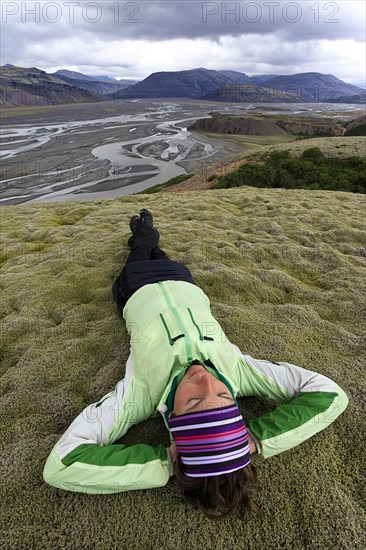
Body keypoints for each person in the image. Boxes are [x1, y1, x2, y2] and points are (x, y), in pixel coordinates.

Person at [43, 209, 349, 520]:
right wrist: (254, 439)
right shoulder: (240, 372)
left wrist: (165, 463)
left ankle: (141, 227)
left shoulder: (139, 394)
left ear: (173, 418)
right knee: (157, 249)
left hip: (134, 289)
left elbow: (62, 465)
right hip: (182, 281)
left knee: (139, 250)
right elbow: (330, 395)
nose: (206, 381)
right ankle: (144, 228)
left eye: (193, 400)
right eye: (224, 396)